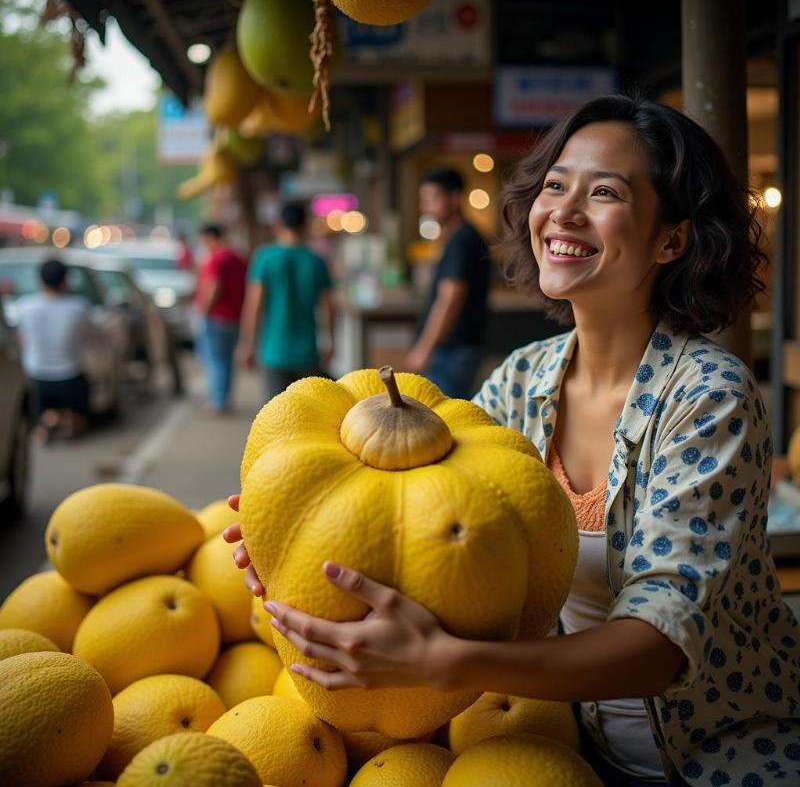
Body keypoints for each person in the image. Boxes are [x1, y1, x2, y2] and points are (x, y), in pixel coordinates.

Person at [224, 95, 800, 786]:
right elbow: (417, 531)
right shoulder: (522, 379)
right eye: (556, 185)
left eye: (606, 192)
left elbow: (660, 645)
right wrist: (294, 554)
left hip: (724, 754)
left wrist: (449, 662)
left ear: (670, 240)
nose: (564, 210)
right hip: (557, 742)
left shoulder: (709, 395)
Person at [236, 202, 335, 401]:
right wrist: (331, 342)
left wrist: (247, 345)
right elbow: (328, 308)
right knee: (310, 414)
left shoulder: (264, 258)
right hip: (308, 351)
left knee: (277, 416)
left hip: (274, 350)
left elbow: (253, 307)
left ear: (278, 225)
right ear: (305, 225)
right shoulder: (316, 261)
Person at [405, 168, 490, 398]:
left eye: (432, 199)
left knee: (445, 422)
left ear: (455, 198)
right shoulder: (457, 237)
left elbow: (450, 297)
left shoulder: (463, 239)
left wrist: (424, 349)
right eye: (423, 200)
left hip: (453, 351)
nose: (426, 207)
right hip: (452, 350)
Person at [16, 258, 95, 441]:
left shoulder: (25, 307)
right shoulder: (79, 307)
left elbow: (22, 340)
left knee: (39, 405)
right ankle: (68, 419)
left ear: (40, 281)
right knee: (81, 411)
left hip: (36, 375)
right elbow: (90, 337)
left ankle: (47, 420)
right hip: (70, 377)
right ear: (65, 281)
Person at [193, 222, 247, 416]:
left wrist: (204, 312)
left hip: (217, 317)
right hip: (234, 317)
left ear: (210, 237)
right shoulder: (238, 258)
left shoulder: (217, 258)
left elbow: (214, 286)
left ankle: (218, 402)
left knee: (216, 360)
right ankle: (223, 399)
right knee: (226, 361)